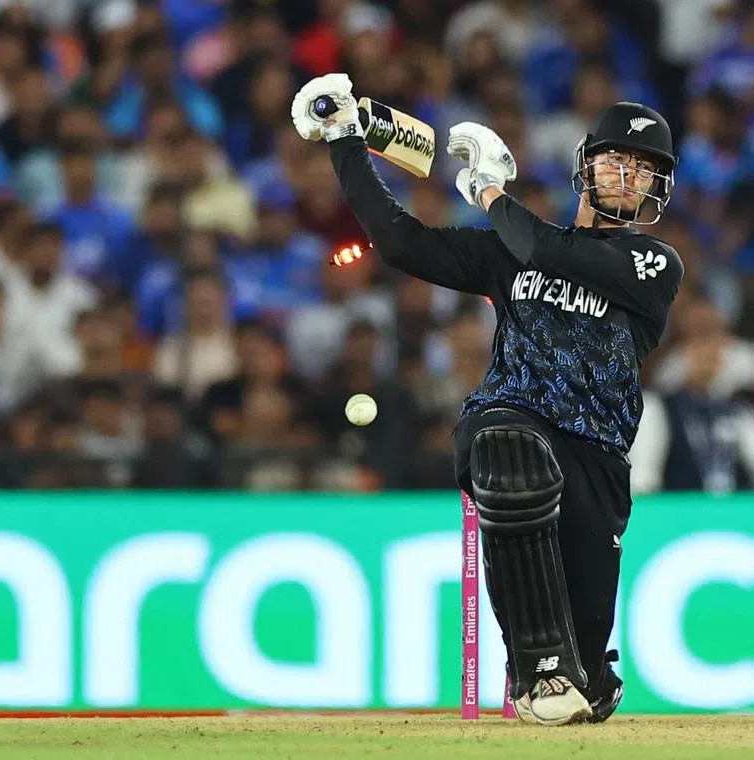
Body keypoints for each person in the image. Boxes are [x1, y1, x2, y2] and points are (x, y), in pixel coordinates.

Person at [291, 73, 683, 726]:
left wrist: (490, 192)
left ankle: (577, 668)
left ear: (655, 187)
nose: (627, 174)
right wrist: (345, 140)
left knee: (590, 687)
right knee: (507, 443)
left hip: (598, 459)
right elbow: (399, 241)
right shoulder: (510, 249)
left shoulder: (654, 264)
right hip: (513, 418)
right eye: (616, 158)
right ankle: (540, 669)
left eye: (643, 168)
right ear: (587, 167)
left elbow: (552, 251)